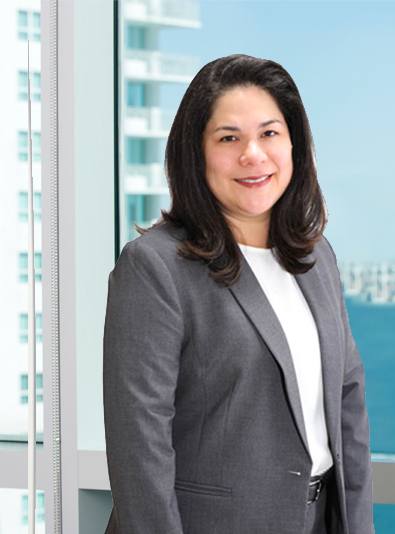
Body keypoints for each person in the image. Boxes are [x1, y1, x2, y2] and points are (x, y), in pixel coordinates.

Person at [103, 53, 374, 534]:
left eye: (269, 133)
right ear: (196, 153)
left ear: (294, 145)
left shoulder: (317, 257)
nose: (253, 154)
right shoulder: (155, 268)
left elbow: (347, 404)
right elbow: (139, 448)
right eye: (229, 138)